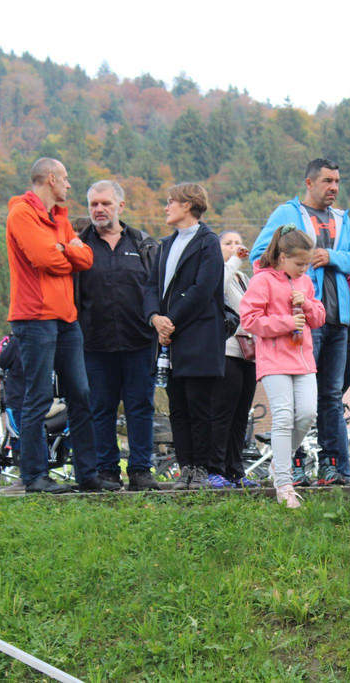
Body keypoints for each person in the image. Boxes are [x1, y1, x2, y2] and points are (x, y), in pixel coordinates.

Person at [6, 158, 119, 494]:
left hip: (67, 319)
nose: (69, 185)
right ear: (51, 179)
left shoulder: (60, 219)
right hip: (34, 318)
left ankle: (88, 475)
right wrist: (66, 251)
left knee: (81, 394)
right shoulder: (21, 214)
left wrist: (63, 250)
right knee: (38, 396)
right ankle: (35, 477)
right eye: (66, 179)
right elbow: (44, 259)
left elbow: (86, 259)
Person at [251, 159, 350, 486]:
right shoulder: (286, 214)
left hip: (336, 317)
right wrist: (287, 285)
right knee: (295, 402)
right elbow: (259, 256)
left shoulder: (342, 219)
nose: (334, 187)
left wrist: (332, 257)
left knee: (331, 394)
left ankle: (335, 466)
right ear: (309, 183)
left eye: (337, 181)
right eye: (328, 181)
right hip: (299, 321)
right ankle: (294, 465)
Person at [76, 180, 160, 491]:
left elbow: (156, 290)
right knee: (100, 409)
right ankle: (107, 471)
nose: (99, 209)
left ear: (120, 206)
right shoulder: (79, 247)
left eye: (106, 203)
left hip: (140, 342)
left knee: (141, 408)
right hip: (94, 344)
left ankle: (141, 470)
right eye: (94, 204)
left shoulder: (144, 245)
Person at [143, 183, 227, 490]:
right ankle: (186, 468)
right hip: (170, 340)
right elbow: (150, 287)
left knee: (199, 406)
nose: (166, 207)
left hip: (199, 337)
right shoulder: (165, 244)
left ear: (188, 205)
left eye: (171, 202)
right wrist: (155, 318)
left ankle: (201, 469)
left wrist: (170, 321)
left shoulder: (208, 242)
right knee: (177, 407)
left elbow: (202, 290)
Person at [240, 226, 325, 509]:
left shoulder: (305, 282)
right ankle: (284, 484)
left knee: (308, 413)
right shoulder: (262, 280)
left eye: (307, 264)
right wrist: (287, 322)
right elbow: (250, 320)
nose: (304, 269)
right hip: (274, 360)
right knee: (283, 417)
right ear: (282, 257)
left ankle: (280, 463)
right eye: (299, 263)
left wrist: (308, 305)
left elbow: (319, 317)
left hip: (304, 359)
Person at [209, 230, 259, 488]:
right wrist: (234, 260)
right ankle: (215, 468)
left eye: (238, 242)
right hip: (227, 349)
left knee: (241, 415)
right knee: (223, 412)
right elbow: (216, 287)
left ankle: (235, 470)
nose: (235, 246)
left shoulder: (242, 278)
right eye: (228, 243)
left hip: (248, 351)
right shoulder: (219, 271)